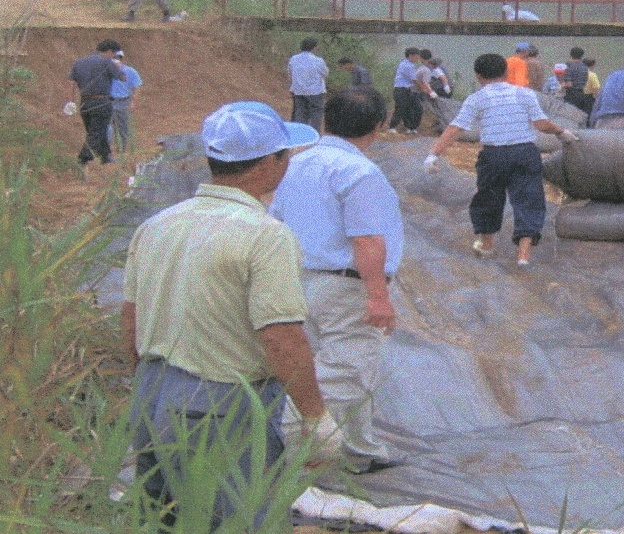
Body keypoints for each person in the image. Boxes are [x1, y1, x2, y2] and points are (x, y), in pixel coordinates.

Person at [123, 101, 338, 529]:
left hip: (152, 393)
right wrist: (316, 419)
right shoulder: (264, 235)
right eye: (285, 155)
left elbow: (130, 318)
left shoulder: (159, 224)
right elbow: (281, 336)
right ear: (270, 163)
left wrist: (144, 386)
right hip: (220, 405)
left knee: (166, 518)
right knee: (239, 519)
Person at [269, 87, 403, 474]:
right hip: (344, 285)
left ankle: (361, 450)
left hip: (298, 278)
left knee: (312, 365)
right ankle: (296, 451)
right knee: (346, 372)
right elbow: (366, 238)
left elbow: (274, 222)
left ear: (326, 120)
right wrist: (378, 296)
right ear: (379, 126)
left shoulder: (294, 164)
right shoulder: (359, 172)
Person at [424, 53, 577, 267]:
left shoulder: (477, 98)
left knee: (488, 198)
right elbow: (541, 123)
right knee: (529, 199)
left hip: (493, 156)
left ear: (478, 75)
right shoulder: (523, 94)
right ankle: (523, 256)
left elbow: (456, 127)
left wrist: (433, 154)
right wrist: (561, 132)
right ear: (506, 72)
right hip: (524, 153)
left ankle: (487, 247)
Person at [66, 39, 126, 167]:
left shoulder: (79, 62)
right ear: (110, 51)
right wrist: (118, 66)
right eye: (114, 54)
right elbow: (122, 77)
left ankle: (105, 156)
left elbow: (71, 83)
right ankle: (82, 159)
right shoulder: (108, 62)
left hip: (85, 102)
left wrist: (70, 101)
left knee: (96, 130)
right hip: (102, 102)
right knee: (97, 132)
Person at [288, 37, 330, 132]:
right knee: (316, 115)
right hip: (316, 92)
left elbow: (290, 73)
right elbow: (325, 73)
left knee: (300, 113)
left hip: (298, 91)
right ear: (314, 48)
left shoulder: (293, 59)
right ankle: (314, 137)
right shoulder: (318, 60)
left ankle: (300, 137)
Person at [108, 49, 143, 152]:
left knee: (123, 127)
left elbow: (137, 86)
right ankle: (107, 149)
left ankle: (121, 150)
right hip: (108, 101)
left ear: (121, 59)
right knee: (108, 127)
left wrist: (133, 102)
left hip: (123, 102)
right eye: (114, 58)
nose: (116, 60)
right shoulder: (106, 72)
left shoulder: (130, 72)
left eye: (118, 58)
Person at [388, 47, 426, 133]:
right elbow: (414, 80)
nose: (417, 59)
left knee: (411, 108)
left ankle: (410, 127)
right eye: (416, 56)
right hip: (401, 90)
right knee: (401, 108)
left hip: (408, 90)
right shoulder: (407, 65)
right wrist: (423, 89)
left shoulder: (410, 65)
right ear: (410, 56)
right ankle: (392, 127)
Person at [562, 46, 594, 114]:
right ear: (582, 56)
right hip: (582, 94)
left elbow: (569, 84)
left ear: (571, 55)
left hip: (571, 96)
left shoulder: (569, 66)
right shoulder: (585, 67)